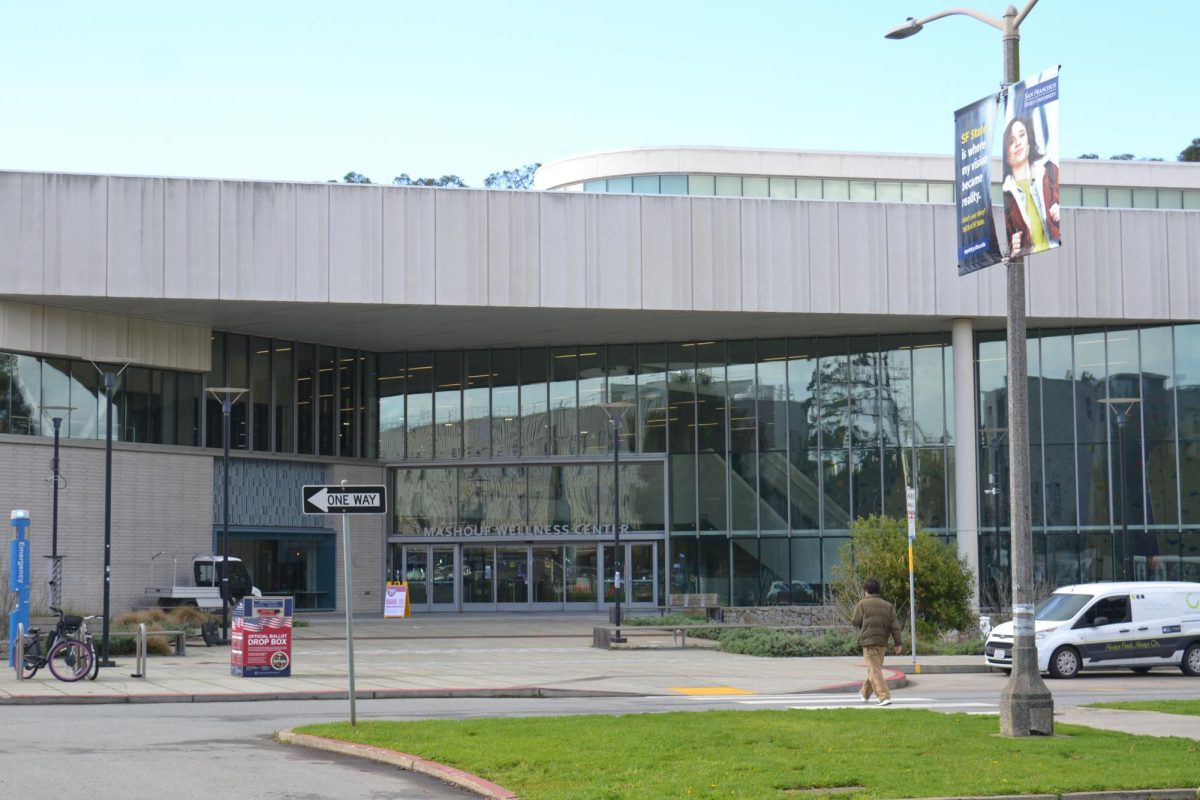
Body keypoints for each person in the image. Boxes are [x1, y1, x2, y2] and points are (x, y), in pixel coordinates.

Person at [1001, 114, 1060, 258]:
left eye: (1021, 135)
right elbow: (1010, 250)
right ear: (1006, 154)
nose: (1018, 143)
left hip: (1056, 254)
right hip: (1030, 263)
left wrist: (1059, 209)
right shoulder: (1007, 195)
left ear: (1028, 141)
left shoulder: (1049, 170)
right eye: (1011, 141)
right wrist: (1013, 250)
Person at [850, 577, 903, 706]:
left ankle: (884, 697)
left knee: (874, 671)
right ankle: (865, 692)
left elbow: (855, 621)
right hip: (882, 643)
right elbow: (895, 626)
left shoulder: (862, 604)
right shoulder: (888, 605)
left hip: (869, 642)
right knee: (875, 669)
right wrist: (898, 643)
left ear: (867, 591)